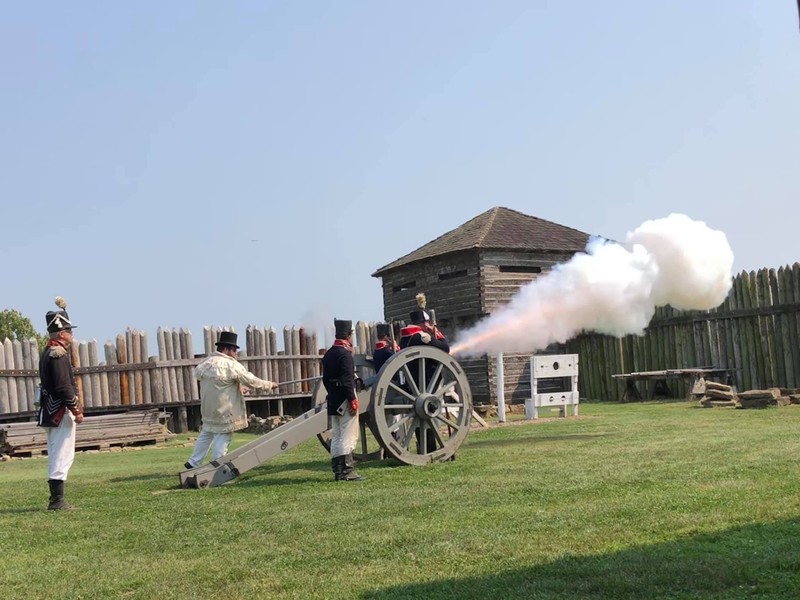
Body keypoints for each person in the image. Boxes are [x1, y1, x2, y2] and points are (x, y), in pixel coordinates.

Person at [184, 331, 279, 469]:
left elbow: (219, 384)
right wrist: (269, 385)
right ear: (226, 349)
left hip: (208, 409)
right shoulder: (231, 365)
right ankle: (218, 464)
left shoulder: (205, 363)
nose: (236, 353)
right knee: (223, 436)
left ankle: (193, 462)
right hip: (224, 409)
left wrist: (238, 388)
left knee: (206, 433)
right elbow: (251, 381)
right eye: (234, 350)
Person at [37, 296, 84, 511]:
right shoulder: (58, 353)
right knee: (61, 454)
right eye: (69, 331)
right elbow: (64, 386)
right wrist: (76, 408)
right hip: (60, 411)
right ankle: (56, 501)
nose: (72, 334)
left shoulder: (51, 351)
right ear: (62, 333)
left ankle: (57, 499)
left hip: (53, 409)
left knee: (60, 453)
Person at [399, 308, 458, 454]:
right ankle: (430, 449)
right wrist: (437, 333)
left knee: (418, 420)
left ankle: (423, 448)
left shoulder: (405, 338)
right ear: (421, 323)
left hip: (413, 383)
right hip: (428, 383)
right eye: (426, 322)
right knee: (431, 416)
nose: (428, 325)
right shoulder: (421, 337)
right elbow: (444, 348)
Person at [321, 319, 365, 481]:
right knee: (348, 435)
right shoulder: (345, 354)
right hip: (345, 400)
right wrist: (352, 399)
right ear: (348, 335)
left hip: (333, 398)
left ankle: (338, 471)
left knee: (338, 435)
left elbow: (325, 380)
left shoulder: (330, 353)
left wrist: (333, 392)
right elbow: (347, 381)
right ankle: (347, 471)